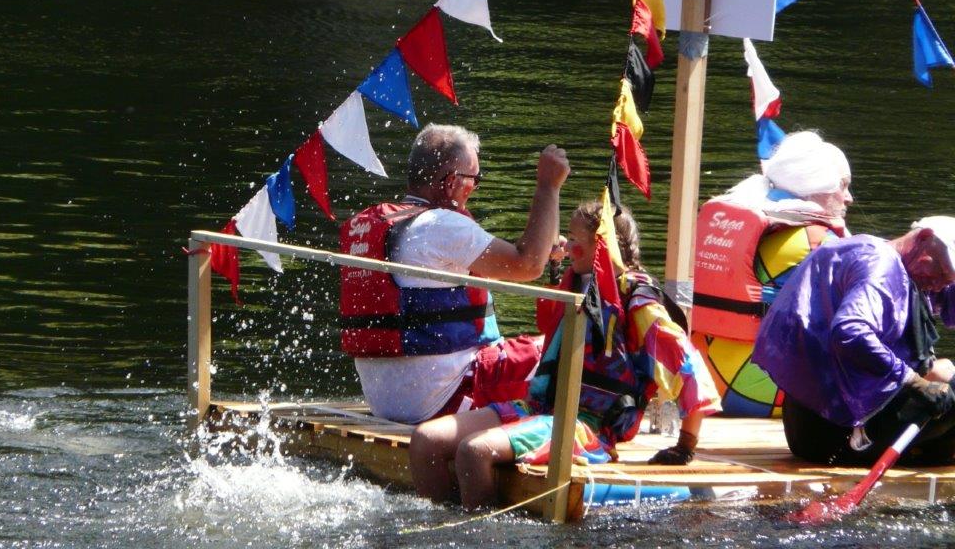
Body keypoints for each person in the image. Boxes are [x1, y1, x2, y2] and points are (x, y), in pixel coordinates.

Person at [408, 201, 721, 510]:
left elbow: (690, 368)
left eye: (575, 241)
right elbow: (551, 329)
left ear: (601, 246)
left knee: (475, 452)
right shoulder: (577, 284)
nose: (567, 246)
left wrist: (685, 446)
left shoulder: (638, 303)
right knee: (426, 440)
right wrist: (557, 266)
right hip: (540, 407)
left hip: (588, 425)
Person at [338, 123, 569, 424]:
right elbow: (528, 266)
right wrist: (548, 186)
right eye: (475, 179)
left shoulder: (391, 227)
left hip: (388, 404)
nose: (475, 188)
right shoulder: (441, 225)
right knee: (563, 348)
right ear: (451, 182)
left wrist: (542, 245)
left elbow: (500, 268)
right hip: (445, 402)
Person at [753, 216, 955, 465]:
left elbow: (948, 300)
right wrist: (913, 382)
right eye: (942, 271)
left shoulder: (880, 254)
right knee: (944, 381)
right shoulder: (880, 268)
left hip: (805, 429)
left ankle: (928, 453)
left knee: (944, 373)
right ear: (923, 237)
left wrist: (949, 280)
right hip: (833, 440)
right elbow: (850, 332)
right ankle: (926, 456)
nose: (939, 283)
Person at [690, 131, 852, 417]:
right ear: (817, 184)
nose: (849, 198)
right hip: (759, 392)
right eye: (843, 186)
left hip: (702, 381)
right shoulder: (817, 242)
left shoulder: (741, 213)